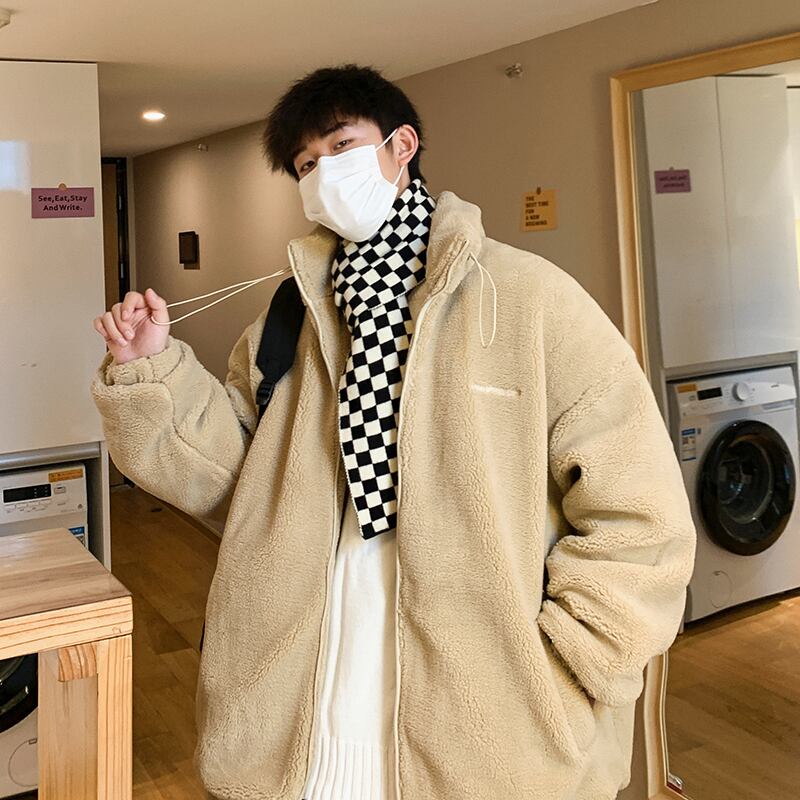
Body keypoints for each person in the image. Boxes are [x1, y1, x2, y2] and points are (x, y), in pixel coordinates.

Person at [90, 63, 696, 800]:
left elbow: (641, 515)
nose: (323, 174)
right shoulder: (291, 316)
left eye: (341, 146)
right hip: (300, 710)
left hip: (485, 733)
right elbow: (228, 481)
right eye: (305, 165)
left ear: (401, 145)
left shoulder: (529, 300)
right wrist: (150, 369)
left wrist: (569, 661)